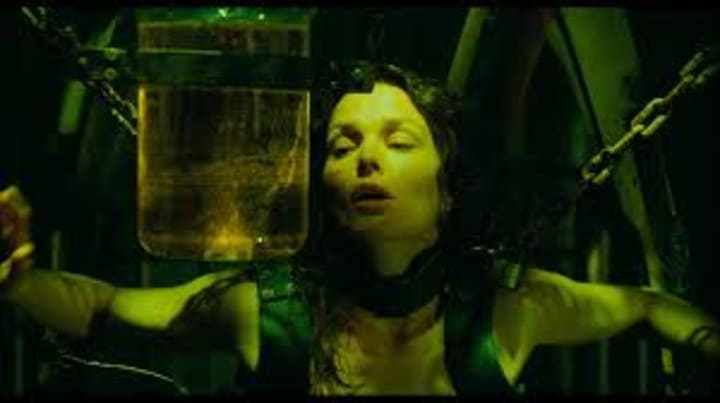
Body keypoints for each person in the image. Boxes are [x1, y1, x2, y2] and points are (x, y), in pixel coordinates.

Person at [1, 62, 719, 396]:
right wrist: (20, 279)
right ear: (322, 185)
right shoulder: (267, 309)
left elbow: (645, 306)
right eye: (342, 146)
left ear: (446, 186)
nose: (366, 159)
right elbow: (102, 307)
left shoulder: (508, 308)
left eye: (398, 142)